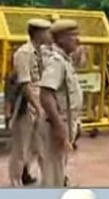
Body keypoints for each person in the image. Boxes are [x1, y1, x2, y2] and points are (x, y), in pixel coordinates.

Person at [37, 20, 83, 188]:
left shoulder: (65, 60)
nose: (78, 40)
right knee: (53, 175)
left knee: (59, 170)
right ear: (62, 39)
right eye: (73, 36)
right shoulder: (56, 61)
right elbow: (46, 95)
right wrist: (58, 126)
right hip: (55, 125)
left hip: (64, 122)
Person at [7, 18, 51, 186]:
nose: (49, 35)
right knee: (21, 147)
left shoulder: (42, 52)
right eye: (46, 31)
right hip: (26, 105)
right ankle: (16, 182)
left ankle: (50, 179)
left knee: (40, 146)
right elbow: (25, 83)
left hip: (40, 103)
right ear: (38, 33)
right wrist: (37, 107)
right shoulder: (23, 53)